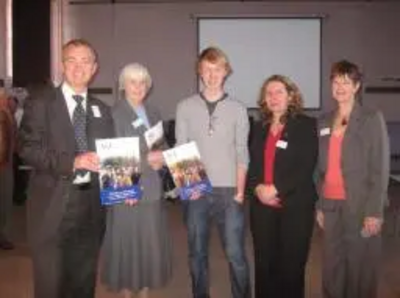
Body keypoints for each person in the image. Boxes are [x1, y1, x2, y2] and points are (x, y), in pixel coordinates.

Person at [18, 39, 115, 298]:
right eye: (72, 60)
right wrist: (72, 162)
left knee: (83, 286)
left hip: (90, 210)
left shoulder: (102, 110)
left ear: (94, 68)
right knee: (50, 287)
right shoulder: (41, 102)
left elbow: (111, 158)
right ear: (62, 65)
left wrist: (124, 185)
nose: (78, 67)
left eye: (85, 61)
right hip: (53, 209)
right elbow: (27, 149)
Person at [175, 47, 250, 298]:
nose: (212, 74)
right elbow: (181, 148)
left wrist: (240, 192)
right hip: (197, 189)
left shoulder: (238, 109)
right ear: (200, 72)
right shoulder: (185, 106)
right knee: (197, 253)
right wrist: (189, 187)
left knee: (235, 254)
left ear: (225, 72)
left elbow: (242, 152)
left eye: (217, 69)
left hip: (230, 193)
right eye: (207, 69)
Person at [316, 60, 390, 298]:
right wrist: (319, 205)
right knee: (332, 266)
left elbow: (380, 167)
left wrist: (375, 211)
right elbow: (319, 167)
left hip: (360, 204)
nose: (340, 87)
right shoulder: (324, 120)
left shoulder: (371, 118)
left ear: (356, 86)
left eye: (346, 82)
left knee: (360, 267)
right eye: (336, 82)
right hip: (330, 203)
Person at [101, 63, 172, 298]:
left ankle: (143, 290)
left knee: (148, 242)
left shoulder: (153, 112)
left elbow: (161, 146)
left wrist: (163, 157)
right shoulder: (114, 113)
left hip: (151, 187)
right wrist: (142, 165)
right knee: (126, 242)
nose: (138, 87)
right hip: (126, 189)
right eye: (132, 81)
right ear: (123, 85)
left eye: (143, 82)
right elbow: (110, 155)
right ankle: (125, 292)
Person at [246, 75, 318, 298]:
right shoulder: (257, 128)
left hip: (295, 206)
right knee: (264, 263)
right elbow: (250, 164)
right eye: (269, 93)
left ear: (290, 96)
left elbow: (306, 165)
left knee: (292, 265)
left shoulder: (305, 125)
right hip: (262, 207)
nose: (274, 97)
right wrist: (257, 189)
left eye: (279, 92)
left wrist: (275, 189)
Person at [0, 85, 15, 250]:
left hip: (7, 165)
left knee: (5, 203)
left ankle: (2, 235)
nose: (5, 100)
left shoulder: (8, 115)